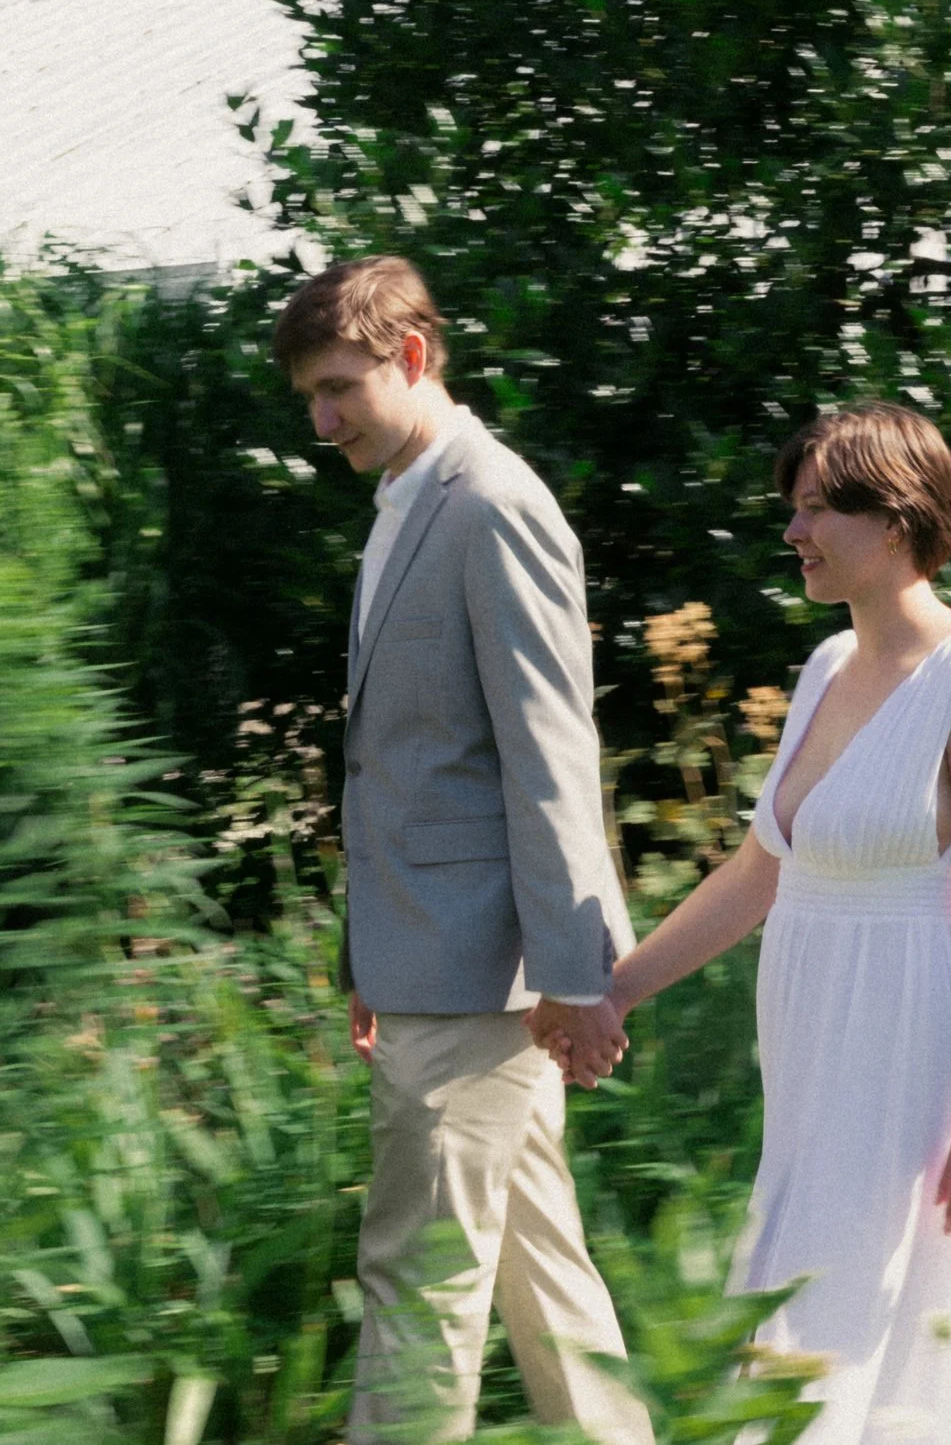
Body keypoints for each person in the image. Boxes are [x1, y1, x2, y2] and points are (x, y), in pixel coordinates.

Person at [550, 402, 951, 1444]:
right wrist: (616, 989)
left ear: (901, 518)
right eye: (795, 507)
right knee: (806, 1300)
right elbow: (758, 872)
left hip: (914, 1052)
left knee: (874, 1318)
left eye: (819, 508)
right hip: (813, 1054)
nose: (794, 532)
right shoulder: (827, 666)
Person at [273, 255, 652, 1445]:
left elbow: (550, 754)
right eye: (309, 398)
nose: (323, 419)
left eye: (339, 388)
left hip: (480, 975)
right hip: (428, 963)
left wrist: (575, 967)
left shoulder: (491, 502)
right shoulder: (405, 505)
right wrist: (370, 956)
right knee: (543, 1282)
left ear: (414, 358)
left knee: (418, 1281)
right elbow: (412, 772)